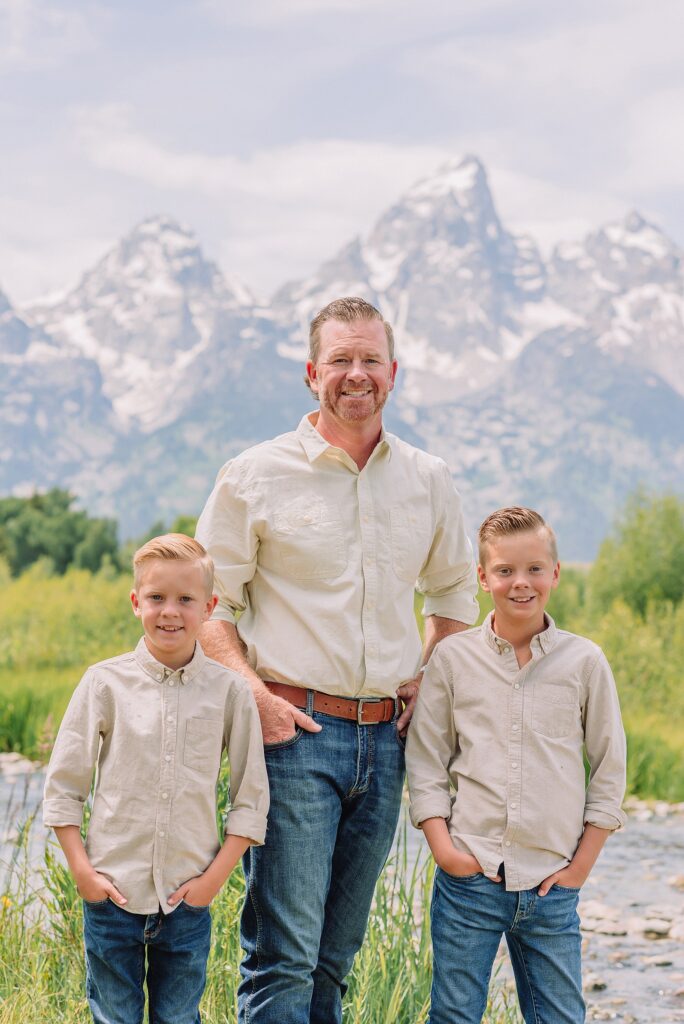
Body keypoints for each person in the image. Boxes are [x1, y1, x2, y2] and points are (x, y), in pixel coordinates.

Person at [195, 296, 479, 1024]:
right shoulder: (254, 474)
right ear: (312, 371)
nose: (358, 375)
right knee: (282, 957)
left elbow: (451, 594)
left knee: (334, 957)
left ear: (395, 373)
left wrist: (427, 675)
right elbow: (208, 604)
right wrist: (254, 696)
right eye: (342, 360)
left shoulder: (428, 477)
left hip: (386, 745)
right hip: (291, 736)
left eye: (371, 360)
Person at [406, 506, 627, 1024]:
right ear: (483, 578)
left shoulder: (584, 662)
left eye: (533, 569)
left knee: (561, 1017)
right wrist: (444, 847)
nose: (520, 583)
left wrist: (580, 869)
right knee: (454, 1015)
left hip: (553, 883)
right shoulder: (453, 659)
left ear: (555, 573)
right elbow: (427, 759)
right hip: (470, 878)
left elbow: (609, 769)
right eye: (504, 570)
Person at [43, 534, 269, 1024]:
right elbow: (64, 788)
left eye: (186, 600)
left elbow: (251, 798)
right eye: (157, 598)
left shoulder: (230, 692)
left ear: (209, 607)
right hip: (112, 897)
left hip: (187, 901)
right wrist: (83, 872)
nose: (171, 612)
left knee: (179, 1018)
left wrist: (213, 880)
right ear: (135, 602)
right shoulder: (103, 682)